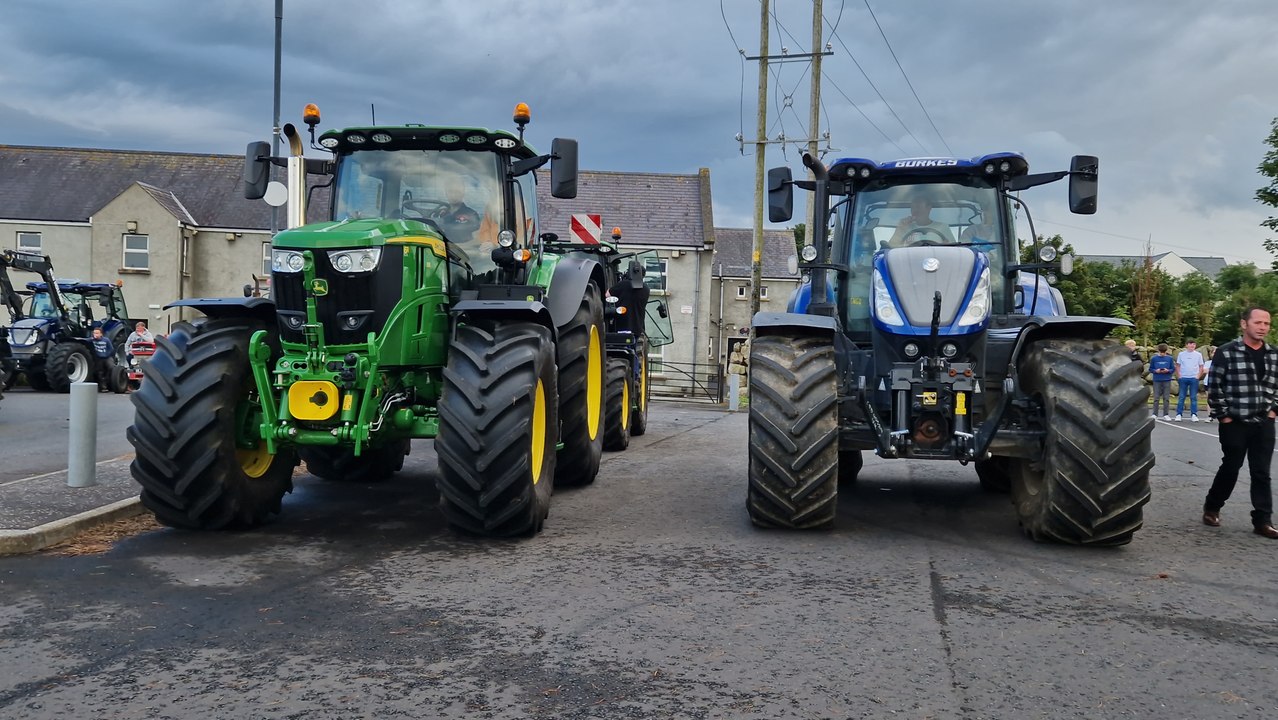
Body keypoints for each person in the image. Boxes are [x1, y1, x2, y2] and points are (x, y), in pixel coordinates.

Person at [1202, 307, 1278, 538]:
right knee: (1231, 466)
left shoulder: (1274, 354)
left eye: (1266, 323)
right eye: (1258, 323)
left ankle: (1263, 521)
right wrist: (1224, 415)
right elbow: (1215, 386)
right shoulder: (1227, 352)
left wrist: (1274, 410)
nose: (1263, 327)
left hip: (1264, 421)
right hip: (1234, 421)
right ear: (1244, 324)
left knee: (1261, 472)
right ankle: (1212, 507)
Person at [430, 175, 481, 244]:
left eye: (457, 192)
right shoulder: (438, 213)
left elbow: (477, 239)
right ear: (446, 192)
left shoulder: (472, 214)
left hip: (461, 252)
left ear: (463, 192)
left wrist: (460, 248)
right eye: (450, 191)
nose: (454, 195)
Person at [888, 195, 956, 247]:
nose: (915, 210)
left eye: (918, 207)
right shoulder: (905, 228)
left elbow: (954, 249)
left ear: (929, 208)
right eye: (912, 207)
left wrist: (946, 246)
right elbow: (890, 248)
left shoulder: (942, 227)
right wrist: (900, 228)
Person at [1174, 339, 1206, 421]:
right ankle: (1179, 414)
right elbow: (1178, 365)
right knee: (1181, 397)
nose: (1192, 346)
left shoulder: (1198, 355)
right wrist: (1179, 375)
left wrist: (1198, 376)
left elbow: (1201, 366)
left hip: (1193, 378)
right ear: (1186, 345)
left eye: (1194, 344)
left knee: (1193, 397)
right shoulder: (1181, 354)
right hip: (1183, 377)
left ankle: (1194, 414)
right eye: (1190, 344)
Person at [1148, 343, 1175, 420]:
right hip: (1157, 380)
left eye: (1164, 352)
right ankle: (1154, 413)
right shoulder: (1154, 359)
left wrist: (1168, 370)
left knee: (1166, 398)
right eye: (1161, 352)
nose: (1162, 354)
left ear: (1166, 351)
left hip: (1167, 380)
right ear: (1158, 351)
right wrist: (1156, 371)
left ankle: (1166, 414)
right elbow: (1150, 369)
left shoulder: (1170, 359)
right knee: (1156, 398)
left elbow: (1173, 369)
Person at [89, 327, 117, 392]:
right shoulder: (92, 340)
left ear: (101, 334)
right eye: (94, 333)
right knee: (99, 371)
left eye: (97, 333)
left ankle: (109, 382)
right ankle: (102, 385)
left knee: (111, 367)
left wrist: (106, 354)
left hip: (107, 357)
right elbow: (86, 341)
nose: (95, 334)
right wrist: (92, 339)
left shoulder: (106, 340)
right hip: (98, 358)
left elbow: (111, 349)